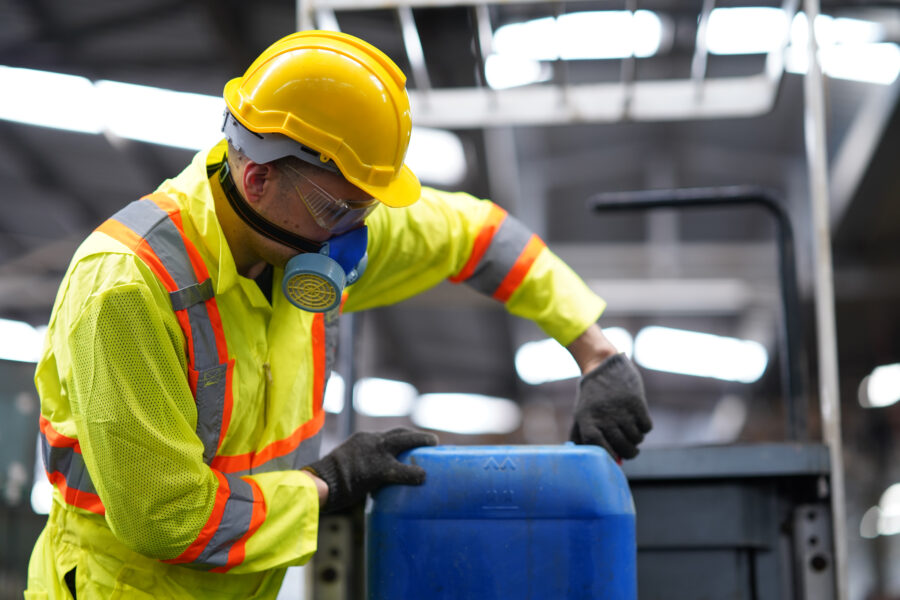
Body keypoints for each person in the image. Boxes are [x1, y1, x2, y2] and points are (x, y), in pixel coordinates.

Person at [25, 30, 652, 599]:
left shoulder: (307, 232)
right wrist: (328, 484)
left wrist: (596, 351)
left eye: (366, 211)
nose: (352, 240)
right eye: (337, 212)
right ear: (257, 175)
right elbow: (165, 517)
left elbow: (479, 235)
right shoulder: (128, 289)